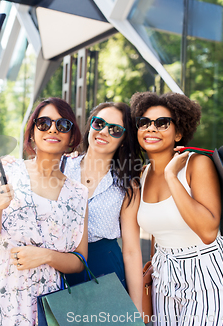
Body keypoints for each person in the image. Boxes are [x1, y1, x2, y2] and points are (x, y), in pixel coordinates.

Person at [0, 97, 89, 326]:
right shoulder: (9, 171)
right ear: (32, 132)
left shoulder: (78, 194)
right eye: (44, 123)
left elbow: (80, 261)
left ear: (71, 137)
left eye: (63, 124)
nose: (53, 129)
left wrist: (46, 256)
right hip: (1, 294)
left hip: (48, 303)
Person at [130, 92, 223, 325]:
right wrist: (152, 267)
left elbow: (208, 232)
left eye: (162, 123)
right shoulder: (144, 173)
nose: (151, 128)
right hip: (164, 276)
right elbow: (157, 231)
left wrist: (171, 176)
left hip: (205, 273)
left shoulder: (197, 165)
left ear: (179, 132)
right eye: (144, 123)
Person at [62, 102, 144, 313]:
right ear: (90, 126)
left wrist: (136, 310)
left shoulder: (126, 184)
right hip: (57, 264)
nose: (104, 131)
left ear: (124, 140)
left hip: (104, 269)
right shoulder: (60, 167)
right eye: (99, 123)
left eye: (115, 129)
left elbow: (132, 250)